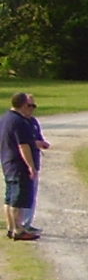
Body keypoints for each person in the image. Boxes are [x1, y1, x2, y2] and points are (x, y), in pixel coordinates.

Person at [2, 92, 51, 241]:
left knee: (9, 198)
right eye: (29, 105)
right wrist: (31, 166)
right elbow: (23, 146)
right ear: (23, 105)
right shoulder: (20, 122)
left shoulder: (4, 119)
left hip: (8, 163)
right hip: (19, 165)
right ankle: (19, 230)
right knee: (18, 200)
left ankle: (11, 227)